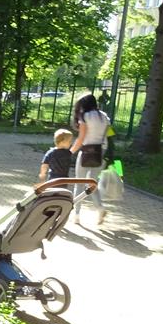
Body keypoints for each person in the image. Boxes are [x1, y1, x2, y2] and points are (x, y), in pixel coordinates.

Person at [69, 93, 112, 225]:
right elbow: (108, 135)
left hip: (86, 151)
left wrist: (70, 152)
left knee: (79, 183)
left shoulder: (85, 116)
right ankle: (100, 208)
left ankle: (76, 215)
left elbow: (81, 138)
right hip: (101, 152)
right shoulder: (104, 116)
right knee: (92, 183)